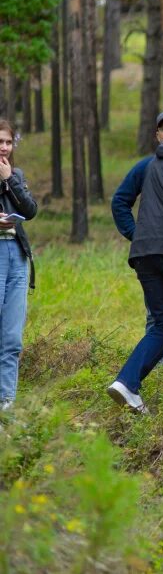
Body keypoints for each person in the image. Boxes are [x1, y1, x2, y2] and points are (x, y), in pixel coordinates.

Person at [107, 110, 163, 412]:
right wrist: (136, 233)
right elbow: (120, 201)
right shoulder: (151, 165)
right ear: (157, 135)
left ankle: (127, 383)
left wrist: (143, 239)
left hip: (146, 256)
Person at [0, 120, 37, 412]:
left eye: (8, 142)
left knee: (12, 336)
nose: (4, 147)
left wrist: (9, 179)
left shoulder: (16, 174)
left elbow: (30, 210)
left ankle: (7, 403)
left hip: (17, 255)